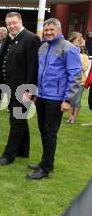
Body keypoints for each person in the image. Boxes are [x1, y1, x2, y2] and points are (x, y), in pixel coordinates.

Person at [26, 18, 82, 180]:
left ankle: (46, 168)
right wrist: (35, 93)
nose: (49, 32)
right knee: (43, 130)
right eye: (46, 30)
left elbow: (75, 76)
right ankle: (45, 161)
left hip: (57, 98)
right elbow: (39, 72)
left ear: (59, 30)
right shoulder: (43, 47)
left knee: (50, 132)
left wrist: (68, 100)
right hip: (42, 96)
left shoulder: (69, 48)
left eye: (52, 29)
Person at [0, 12, 40, 166]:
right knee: (20, 120)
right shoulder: (9, 39)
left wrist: (29, 90)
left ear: (21, 21)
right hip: (10, 88)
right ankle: (23, 150)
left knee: (16, 121)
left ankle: (8, 155)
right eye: (9, 24)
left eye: (14, 23)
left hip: (22, 89)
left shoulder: (31, 38)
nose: (12, 26)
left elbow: (34, 67)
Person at [67, 32, 89, 124]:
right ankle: (70, 117)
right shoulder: (68, 51)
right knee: (70, 100)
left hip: (81, 82)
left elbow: (83, 68)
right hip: (69, 80)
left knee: (77, 101)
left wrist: (77, 55)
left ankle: (74, 118)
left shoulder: (84, 56)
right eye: (76, 40)